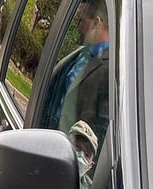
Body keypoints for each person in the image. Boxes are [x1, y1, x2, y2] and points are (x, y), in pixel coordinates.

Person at [46, 0, 109, 139]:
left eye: (80, 20)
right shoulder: (79, 56)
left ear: (96, 23)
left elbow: (101, 132)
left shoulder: (110, 71)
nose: (77, 27)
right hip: (49, 138)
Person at [68, 119, 99, 189]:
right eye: (77, 147)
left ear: (90, 165)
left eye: (87, 154)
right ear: (65, 145)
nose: (81, 155)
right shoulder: (48, 172)